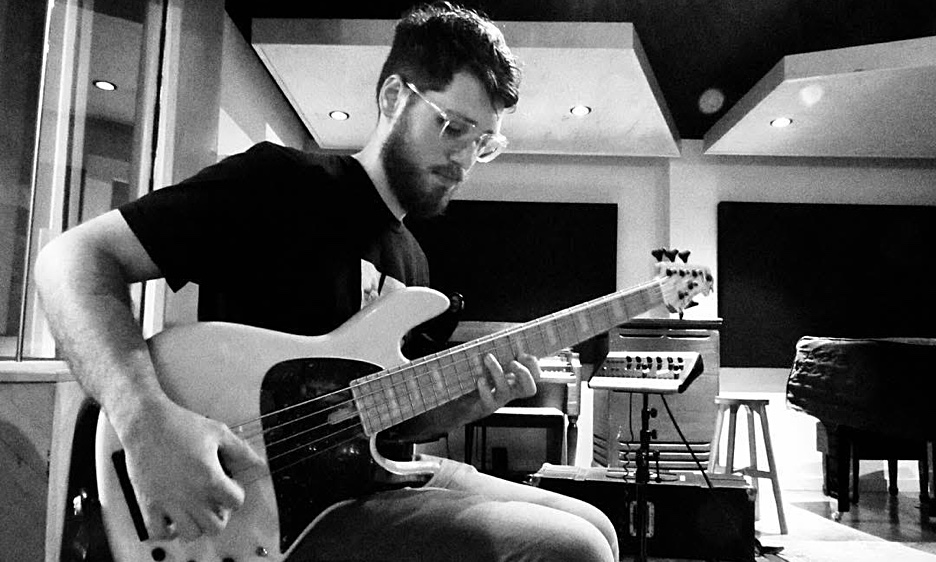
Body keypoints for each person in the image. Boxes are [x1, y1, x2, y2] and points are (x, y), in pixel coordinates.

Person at [35, 2, 619, 560]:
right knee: (576, 548)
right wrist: (145, 420)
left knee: (599, 524)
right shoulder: (281, 184)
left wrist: (465, 404)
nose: (465, 159)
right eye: (452, 127)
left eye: (483, 144)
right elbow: (72, 260)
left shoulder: (413, 263)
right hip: (265, 504)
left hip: (366, 479)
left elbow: (384, 423)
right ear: (394, 97)